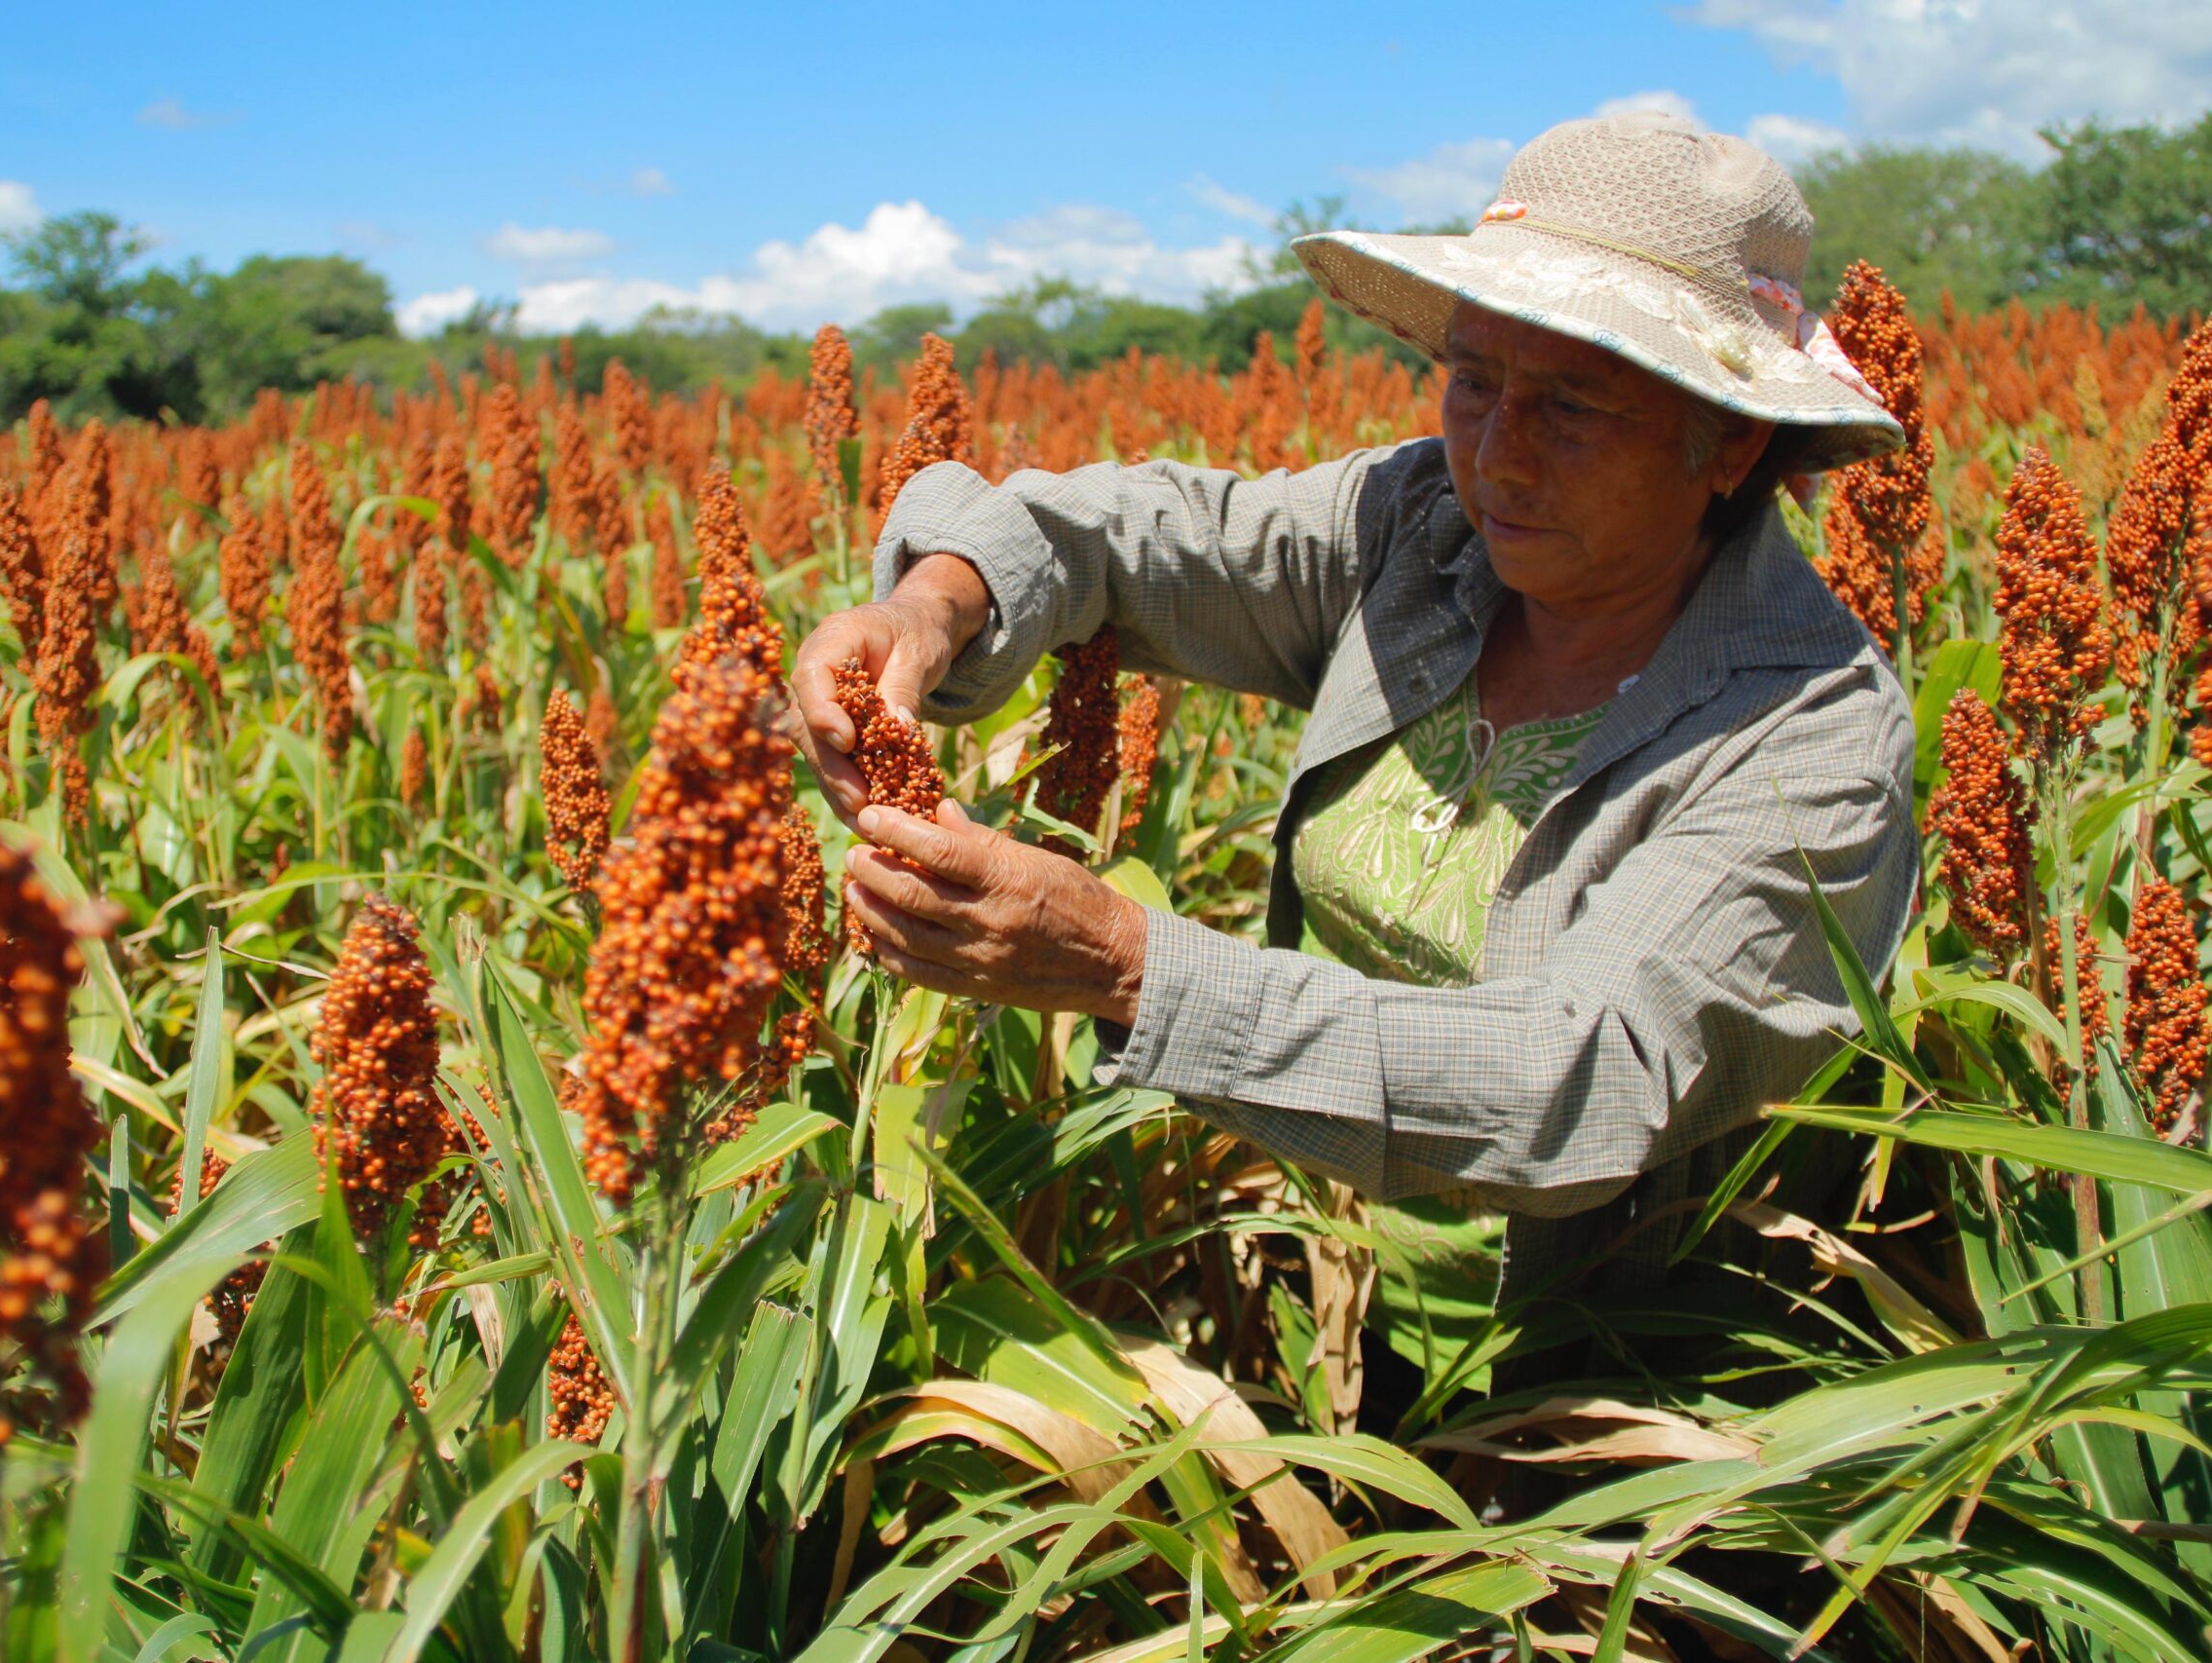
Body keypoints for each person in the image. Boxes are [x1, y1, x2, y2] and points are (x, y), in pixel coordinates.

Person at [792, 109, 1920, 1292]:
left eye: (1576, 405)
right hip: (1314, 1296)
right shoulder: (1421, 533)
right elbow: (1126, 533)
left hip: (1599, 1400)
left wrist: (1125, 965)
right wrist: (932, 604)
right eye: (1475, 380)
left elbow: (1575, 1081)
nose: (1501, 455)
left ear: (1732, 441)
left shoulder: (1810, 734)